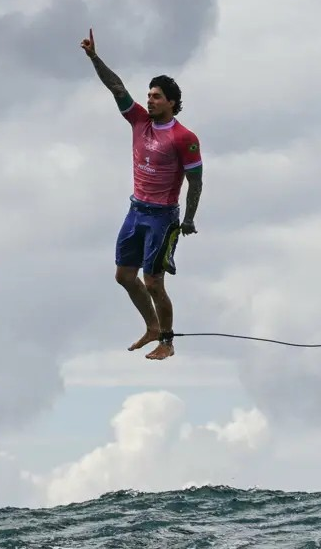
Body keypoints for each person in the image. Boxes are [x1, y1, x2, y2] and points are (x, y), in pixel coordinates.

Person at [80, 28, 204, 360]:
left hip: (163, 216)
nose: (149, 100)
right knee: (124, 275)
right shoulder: (138, 121)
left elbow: (196, 181)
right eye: (149, 95)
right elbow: (116, 86)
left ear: (172, 103)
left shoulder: (184, 137)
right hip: (136, 209)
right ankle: (151, 326)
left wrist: (189, 219)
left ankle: (167, 340)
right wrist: (94, 57)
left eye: (157, 96)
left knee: (153, 282)